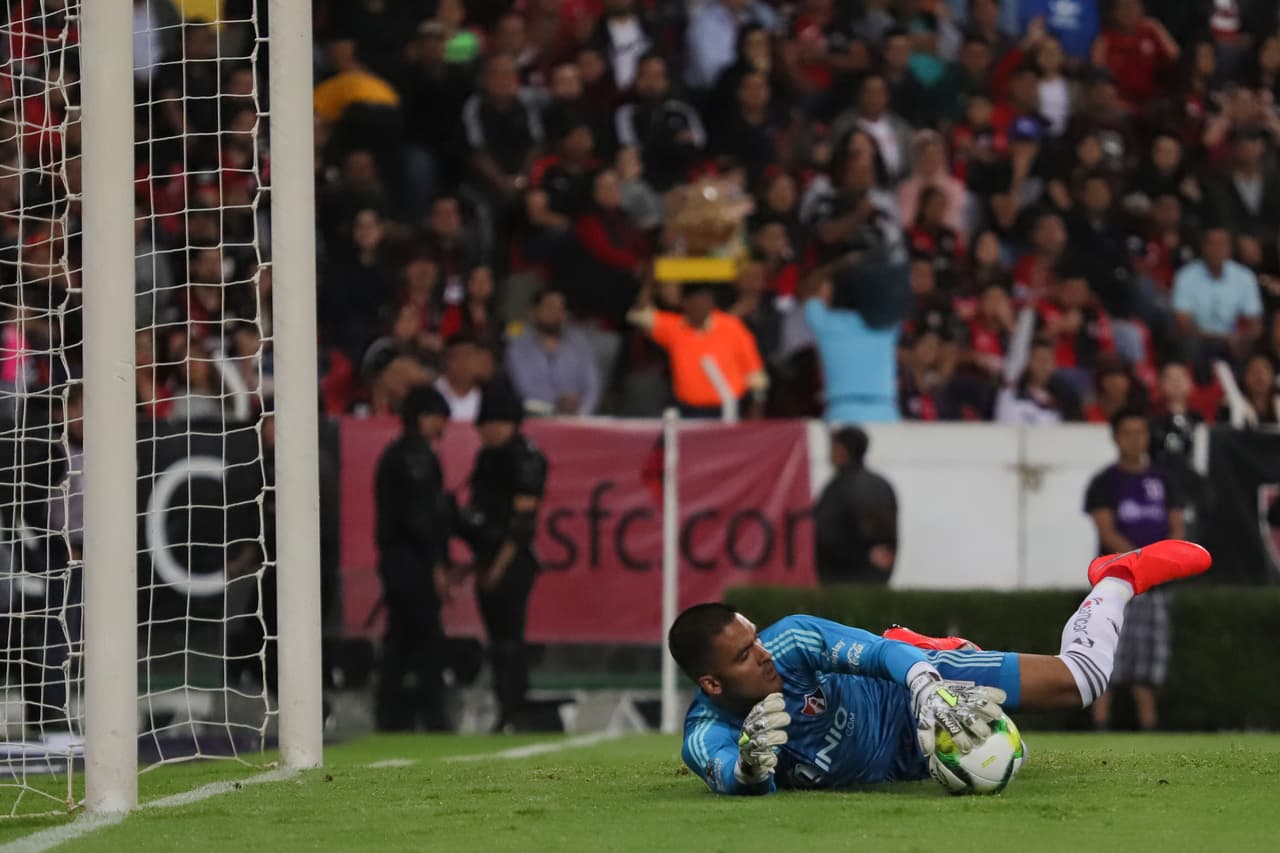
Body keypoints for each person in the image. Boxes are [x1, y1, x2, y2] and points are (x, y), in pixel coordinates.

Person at [670, 539, 1212, 794]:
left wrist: (926, 681)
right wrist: (747, 771)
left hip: (905, 690)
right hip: (900, 764)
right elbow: (727, 776)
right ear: (711, 683)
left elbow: (879, 653)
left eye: (753, 639)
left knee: (1081, 681)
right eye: (744, 655)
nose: (761, 653)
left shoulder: (790, 641)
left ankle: (1117, 576)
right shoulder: (707, 732)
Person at [1083, 409, 1186, 731]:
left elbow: (1177, 526)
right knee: (1106, 657)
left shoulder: (1163, 479)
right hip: (1117, 585)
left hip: (1156, 588)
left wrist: (1162, 564)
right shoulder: (1104, 482)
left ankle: (1149, 728)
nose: (1134, 440)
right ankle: (1099, 727)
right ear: (1115, 438)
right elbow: (1107, 532)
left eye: (1140, 432)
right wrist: (1144, 563)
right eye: (1126, 433)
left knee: (1149, 666)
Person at [456, 383, 548, 731]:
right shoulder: (487, 457)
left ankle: (514, 707)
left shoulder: (524, 457)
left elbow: (522, 523)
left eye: (497, 422)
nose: (489, 430)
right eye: (485, 423)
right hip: (487, 557)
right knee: (498, 640)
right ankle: (505, 705)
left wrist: (496, 566)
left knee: (509, 638)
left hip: (510, 560)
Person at [372, 384, 453, 731]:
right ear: (421, 418)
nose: (442, 426)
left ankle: (391, 714)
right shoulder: (417, 458)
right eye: (437, 418)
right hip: (412, 563)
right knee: (425, 639)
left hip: (396, 559)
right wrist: (437, 564)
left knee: (400, 639)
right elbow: (422, 519)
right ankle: (431, 715)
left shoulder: (395, 455)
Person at [627, 283, 768, 419]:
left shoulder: (732, 327)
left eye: (703, 300)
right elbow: (638, 315)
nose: (698, 306)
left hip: (725, 409)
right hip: (686, 409)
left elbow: (755, 374)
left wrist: (756, 409)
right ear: (684, 303)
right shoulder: (675, 327)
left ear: (711, 302)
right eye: (693, 301)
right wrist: (650, 283)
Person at [813, 426, 897, 585]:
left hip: (841, 580)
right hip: (878, 579)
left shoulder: (837, 487)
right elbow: (890, 542)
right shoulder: (883, 486)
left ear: (842, 450)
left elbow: (825, 537)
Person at [506, 288, 602, 416]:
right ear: (534, 311)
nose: (555, 313)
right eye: (549, 307)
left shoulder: (580, 344)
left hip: (577, 418)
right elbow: (521, 386)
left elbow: (593, 385)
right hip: (532, 417)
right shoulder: (518, 345)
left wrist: (582, 412)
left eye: (560, 308)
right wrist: (558, 401)